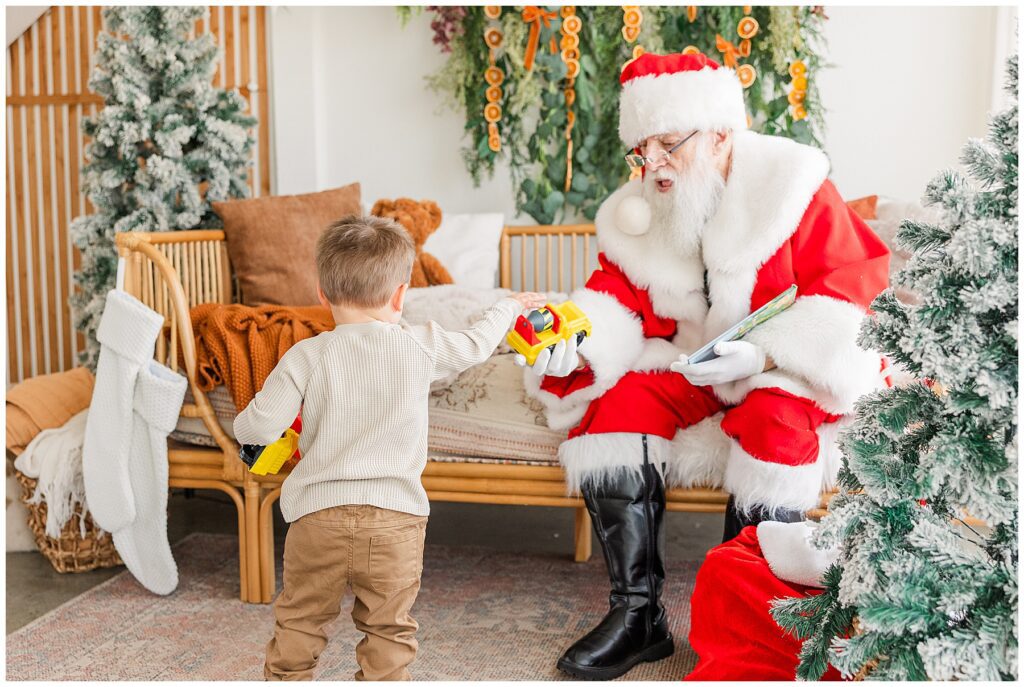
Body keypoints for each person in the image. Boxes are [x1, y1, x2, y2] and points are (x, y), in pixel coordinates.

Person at [517, 51, 890, 680]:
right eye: (642, 149)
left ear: (720, 133)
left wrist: (767, 352)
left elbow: (853, 292)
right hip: (693, 366)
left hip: (782, 369)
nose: (652, 166)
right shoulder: (642, 210)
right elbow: (613, 301)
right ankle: (638, 617)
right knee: (617, 407)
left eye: (668, 144)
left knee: (775, 419)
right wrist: (572, 345)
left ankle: (745, 611)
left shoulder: (794, 187)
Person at [234, 214, 545, 681]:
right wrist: (507, 306)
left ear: (322, 294)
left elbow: (257, 426)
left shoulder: (306, 355)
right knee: (388, 630)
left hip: (318, 519)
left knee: (299, 621)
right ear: (401, 295)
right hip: (396, 521)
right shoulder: (420, 345)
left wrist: (249, 430)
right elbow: (479, 343)